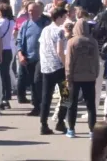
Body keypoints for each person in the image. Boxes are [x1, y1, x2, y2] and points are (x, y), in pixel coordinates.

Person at [66, 19, 100, 138]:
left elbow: (69, 62)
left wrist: (68, 76)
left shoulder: (72, 42)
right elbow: (96, 60)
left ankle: (71, 129)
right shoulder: (93, 42)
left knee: (72, 104)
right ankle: (92, 130)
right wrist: (95, 73)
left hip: (75, 77)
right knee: (90, 105)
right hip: (90, 76)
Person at [39, 7, 69, 135]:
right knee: (66, 95)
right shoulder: (59, 31)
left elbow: (42, 46)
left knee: (46, 96)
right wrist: (65, 65)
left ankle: (43, 123)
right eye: (64, 17)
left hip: (46, 67)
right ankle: (60, 121)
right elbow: (59, 51)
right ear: (60, 17)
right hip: (58, 67)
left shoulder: (45, 29)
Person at [16, 3, 50, 114]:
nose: (31, 13)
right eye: (29, 11)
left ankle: (40, 105)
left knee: (37, 81)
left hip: (41, 59)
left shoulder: (45, 24)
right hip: (28, 58)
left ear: (40, 12)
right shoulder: (25, 24)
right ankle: (37, 106)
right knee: (32, 83)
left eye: (34, 11)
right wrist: (20, 54)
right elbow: (19, 41)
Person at [0, 3, 15, 110]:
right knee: (6, 73)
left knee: (0, 75)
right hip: (9, 49)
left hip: (0, 49)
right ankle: (7, 95)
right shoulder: (11, 22)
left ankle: (2, 96)